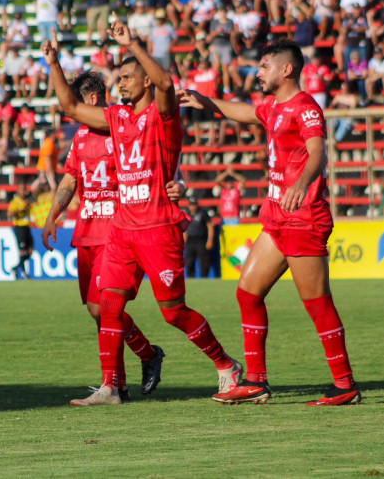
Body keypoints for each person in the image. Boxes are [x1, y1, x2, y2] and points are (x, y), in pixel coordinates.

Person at [43, 23, 242, 406]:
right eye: (119, 77)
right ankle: (111, 387)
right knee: (108, 305)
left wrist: (133, 43)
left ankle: (225, 364)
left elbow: (166, 85)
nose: (121, 83)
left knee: (173, 312)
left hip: (159, 227)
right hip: (121, 229)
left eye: (128, 77)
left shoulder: (164, 118)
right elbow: (69, 106)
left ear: (146, 81)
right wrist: (53, 64)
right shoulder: (116, 119)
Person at [179, 40, 360, 405]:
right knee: (247, 293)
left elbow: (318, 153)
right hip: (277, 216)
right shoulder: (273, 107)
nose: (257, 72)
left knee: (317, 303)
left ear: (285, 70)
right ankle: (257, 382)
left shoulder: (305, 106)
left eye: (263, 66)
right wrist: (206, 102)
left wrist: (300, 183)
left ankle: (345, 386)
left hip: (304, 216)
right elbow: (244, 112)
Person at [41, 71, 189, 401]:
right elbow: (70, 180)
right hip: (87, 230)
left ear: (91, 100)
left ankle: (143, 357)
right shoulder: (80, 138)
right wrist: (53, 216)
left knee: (102, 308)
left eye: (78, 103)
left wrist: (180, 186)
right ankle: (117, 383)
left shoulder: (124, 131)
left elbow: (160, 166)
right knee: (100, 315)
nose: (76, 111)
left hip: (119, 230)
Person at [8, 183, 34, 279]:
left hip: (27, 227)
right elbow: (9, 214)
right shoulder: (15, 202)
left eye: (25, 189)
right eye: (22, 190)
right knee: (22, 251)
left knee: (30, 250)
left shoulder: (27, 200)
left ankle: (16, 267)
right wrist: (19, 210)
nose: (24, 192)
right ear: (18, 191)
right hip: (19, 227)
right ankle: (24, 273)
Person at [184, 196, 214, 278]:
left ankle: (204, 278)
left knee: (204, 261)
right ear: (189, 206)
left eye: (194, 205)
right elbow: (184, 226)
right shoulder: (187, 214)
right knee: (189, 261)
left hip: (201, 240)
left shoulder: (203, 213)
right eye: (191, 205)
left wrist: (210, 240)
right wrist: (184, 235)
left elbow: (210, 226)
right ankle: (191, 278)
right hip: (190, 240)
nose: (193, 207)